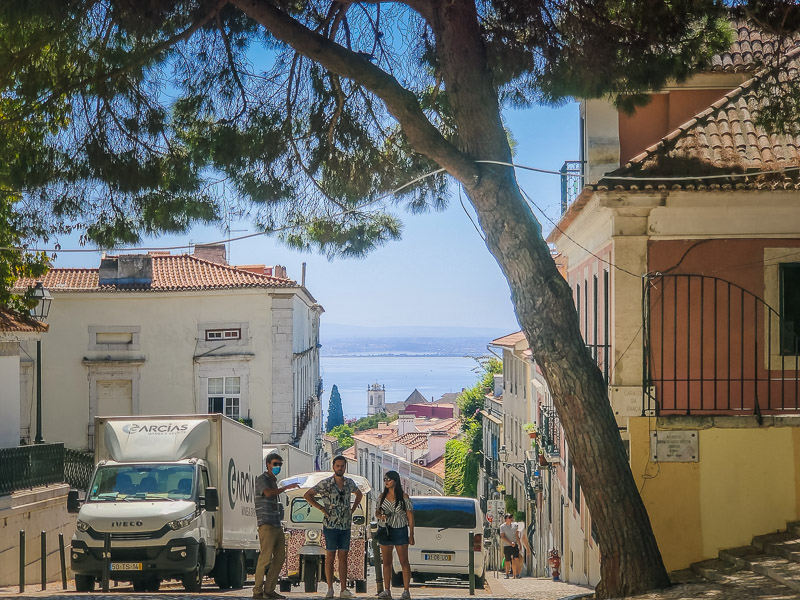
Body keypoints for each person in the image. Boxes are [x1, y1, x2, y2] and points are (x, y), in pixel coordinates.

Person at [303, 455, 363, 599]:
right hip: (330, 525)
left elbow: (359, 494)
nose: (340, 468)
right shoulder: (326, 483)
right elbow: (308, 495)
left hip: (345, 525)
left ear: (345, 467)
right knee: (330, 556)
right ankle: (330, 588)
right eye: (338, 466)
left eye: (342, 466)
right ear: (333, 467)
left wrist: (352, 509)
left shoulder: (349, 483)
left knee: (343, 557)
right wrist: (321, 508)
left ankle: (343, 588)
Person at [253, 452, 300, 599]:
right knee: (265, 558)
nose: (277, 467)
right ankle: (257, 591)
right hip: (266, 524)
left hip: (276, 523)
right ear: (268, 464)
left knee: (280, 558)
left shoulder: (273, 481)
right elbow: (267, 493)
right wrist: (285, 488)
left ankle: (269, 589)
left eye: (279, 464)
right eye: (275, 464)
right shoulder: (262, 479)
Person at [375, 470, 415, 600]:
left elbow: (410, 516)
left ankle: (406, 590)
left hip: (400, 529)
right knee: (386, 561)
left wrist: (411, 534)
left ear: (395, 481)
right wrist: (381, 516)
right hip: (385, 528)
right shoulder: (381, 497)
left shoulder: (404, 497)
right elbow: (377, 513)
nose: (386, 481)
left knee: (404, 561)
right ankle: (387, 589)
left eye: (389, 479)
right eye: (385, 479)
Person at [499, 513, 521, 579]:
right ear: (506, 519)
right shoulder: (502, 527)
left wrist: (519, 544)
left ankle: (517, 574)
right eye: (509, 517)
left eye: (511, 517)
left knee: (516, 559)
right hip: (507, 545)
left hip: (515, 545)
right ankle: (507, 574)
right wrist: (510, 542)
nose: (511, 518)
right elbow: (502, 536)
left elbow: (517, 535)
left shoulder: (515, 525)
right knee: (507, 560)